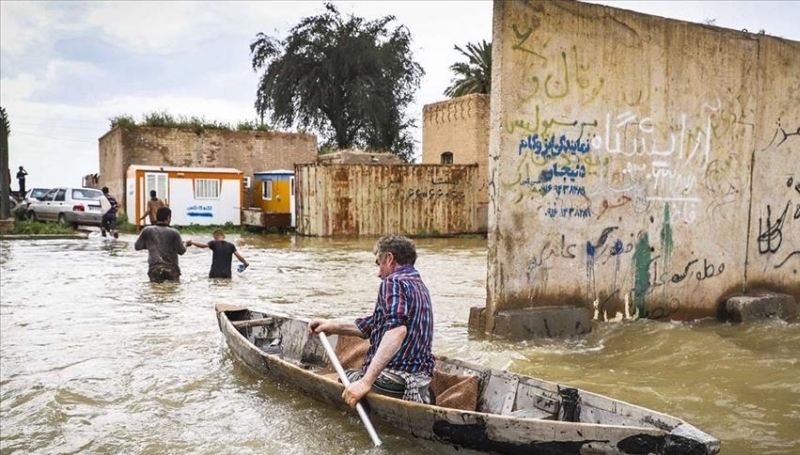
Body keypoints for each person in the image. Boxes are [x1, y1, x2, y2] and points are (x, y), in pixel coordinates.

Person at [308, 235, 435, 408]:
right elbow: (374, 324)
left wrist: (366, 382)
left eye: (378, 263)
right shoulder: (420, 285)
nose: (378, 273)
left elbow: (397, 331)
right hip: (422, 381)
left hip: (396, 382)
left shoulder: (392, 282)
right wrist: (334, 326)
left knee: (345, 378)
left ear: (389, 258)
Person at [134, 207, 186, 283]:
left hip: (154, 269)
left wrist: (151, 244)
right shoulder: (174, 232)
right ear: (168, 218)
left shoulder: (147, 230)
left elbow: (137, 247)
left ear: (157, 217)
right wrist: (186, 244)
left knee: (156, 292)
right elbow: (181, 251)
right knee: (172, 291)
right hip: (171, 269)